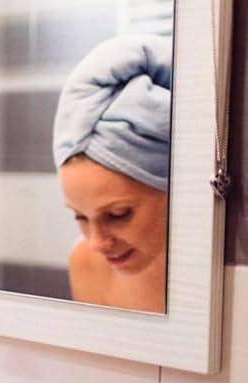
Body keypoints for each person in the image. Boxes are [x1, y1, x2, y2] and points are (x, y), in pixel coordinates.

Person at [52, 34, 172, 312]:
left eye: (118, 215)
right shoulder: (88, 264)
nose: (97, 243)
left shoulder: (226, 279)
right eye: (80, 216)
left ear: (174, 188)